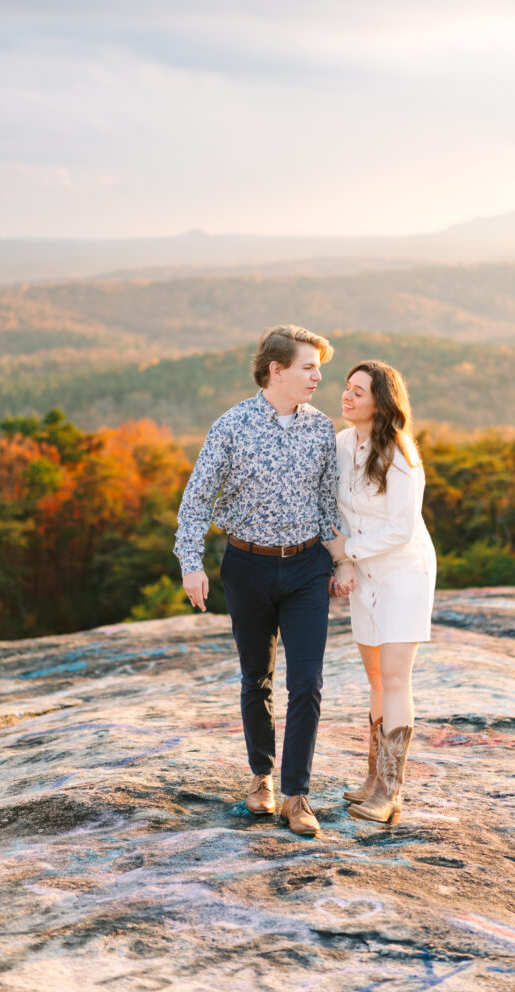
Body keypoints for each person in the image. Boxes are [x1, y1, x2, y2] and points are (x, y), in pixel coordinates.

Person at [173, 325, 341, 838]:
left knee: (307, 681)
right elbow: (197, 498)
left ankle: (297, 795)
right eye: (308, 367)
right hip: (246, 567)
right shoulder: (231, 426)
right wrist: (190, 562)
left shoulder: (320, 429)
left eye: (319, 368)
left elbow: (329, 503)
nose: (317, 376)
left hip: (308, 567)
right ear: (277, 370)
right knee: (257, 679)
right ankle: (261, 777)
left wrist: (342, 560)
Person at [323, 360, 436, 825]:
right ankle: (372, 779)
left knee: (394, 679)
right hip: (364, 573)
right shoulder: (341, 443)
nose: (347, 397)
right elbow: (334, 510)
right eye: (346, 388)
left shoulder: (400, 453)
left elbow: (402, 529)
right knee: (373, 678)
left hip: (403, 574)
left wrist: (350, 549)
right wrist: (345, 562)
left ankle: (391, 791)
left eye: (359, 392)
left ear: (381, 402)